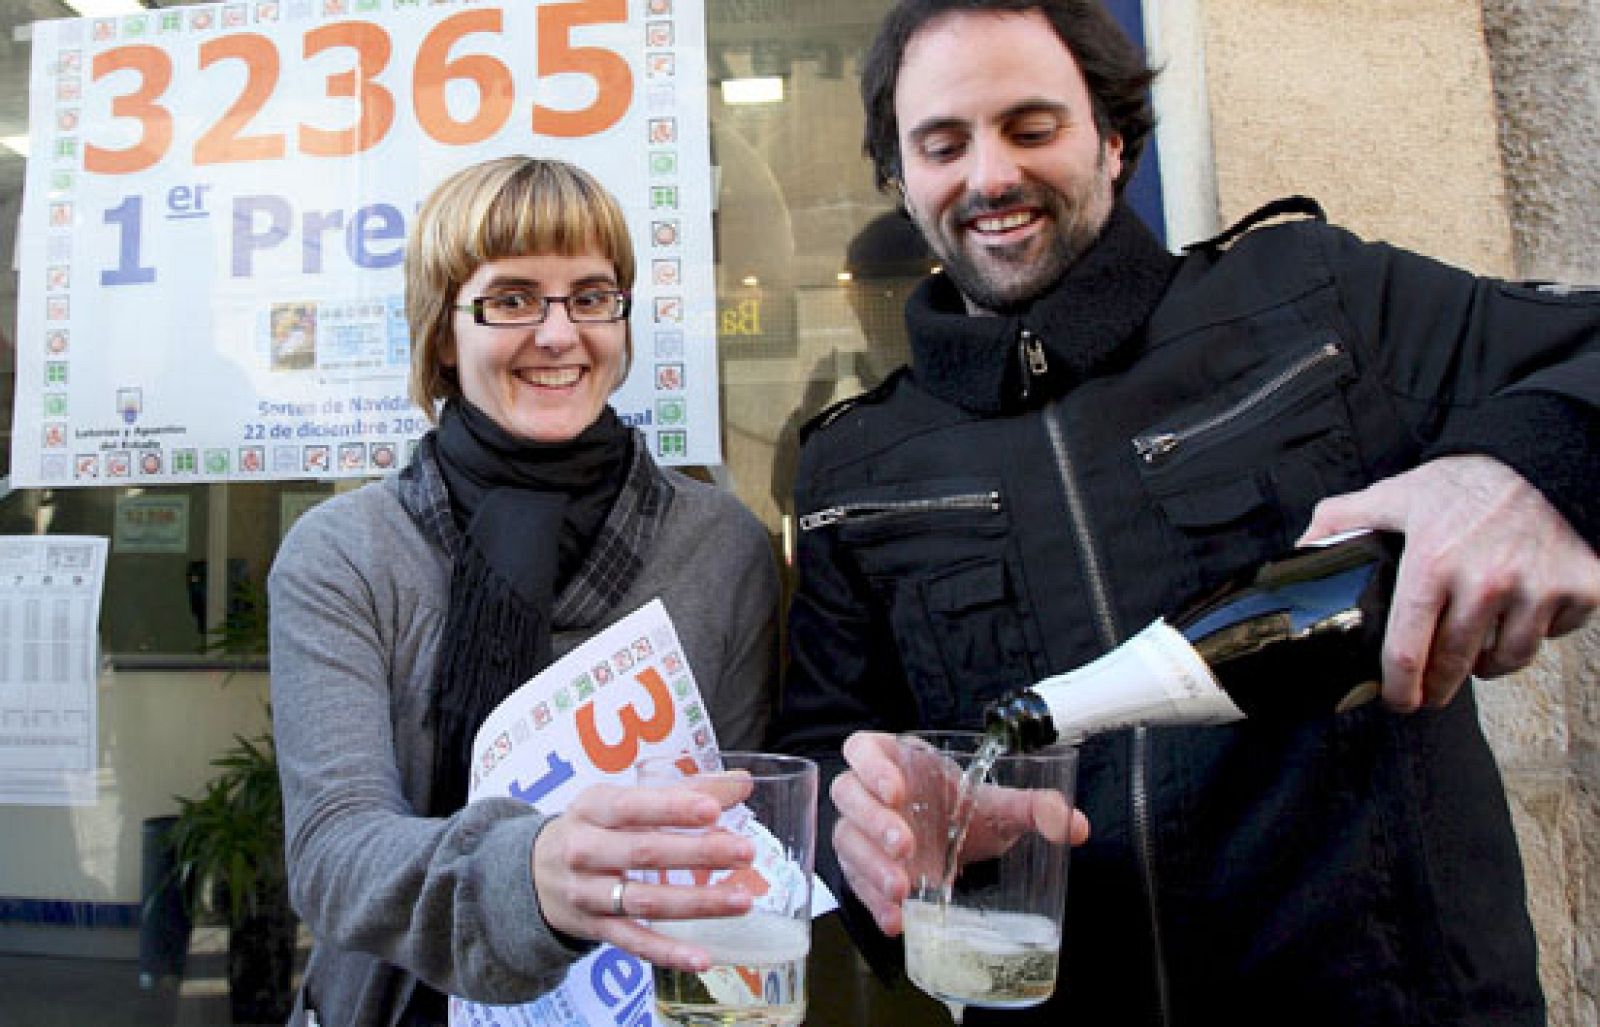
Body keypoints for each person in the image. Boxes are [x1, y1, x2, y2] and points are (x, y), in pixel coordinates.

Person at [769, 1, 1600, 1023]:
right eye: (943, 145)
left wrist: (1522, 473)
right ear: (900, 180)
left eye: (1032, 129)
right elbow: (821, 750)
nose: (989, 176)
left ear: (1114, 141)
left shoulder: (1311, 297)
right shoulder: (854, 464)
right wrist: (867, 840)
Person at [269, 156, 780, 1026]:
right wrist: (528, 876)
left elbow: (740, 830)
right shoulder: (345, 555)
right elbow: (334, 850)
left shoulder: (721, 548)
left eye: (590, 296)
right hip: (394, 1006)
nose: (558, 334)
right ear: (442, 332)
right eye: (511, 299)